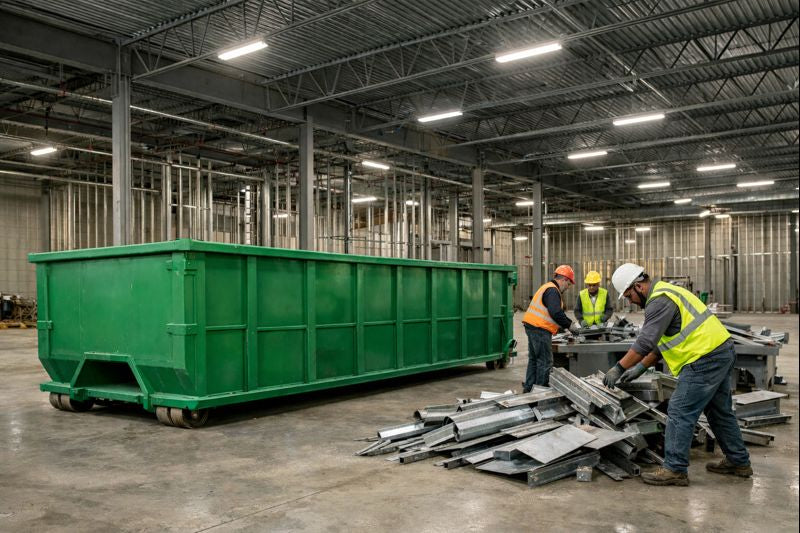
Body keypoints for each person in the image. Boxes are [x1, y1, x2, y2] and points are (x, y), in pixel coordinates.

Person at [602, 263, 751, 486]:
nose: (629, 300)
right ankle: (739, 462)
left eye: (628, 295)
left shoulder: (659, 301)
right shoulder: (667, 292)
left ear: (638, 286)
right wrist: (641, 367)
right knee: (719, 411)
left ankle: (674, 469)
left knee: (680, 410)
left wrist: (619, 368)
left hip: (704, 357)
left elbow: (645, 342)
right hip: (719, 351)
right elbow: (662, 343)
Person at [521, 265, 580, 392]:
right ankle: (540, 393)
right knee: (545, 362)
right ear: (564, 279)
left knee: (534, 360)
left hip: (532, 326)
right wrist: (569, 325)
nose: (568, 287)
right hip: (540, 329)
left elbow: (549, 313)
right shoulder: (553, 290)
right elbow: (556, 312)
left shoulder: (547, 287)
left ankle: (529, 390)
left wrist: (561, 328)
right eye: (568, 284)